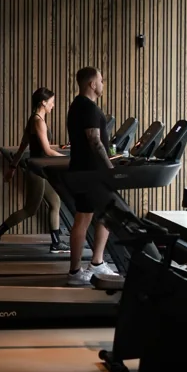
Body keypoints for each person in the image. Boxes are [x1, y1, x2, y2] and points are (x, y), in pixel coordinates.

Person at [0, 87, 70, 254]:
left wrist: (12, 167)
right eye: (51, 102)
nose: (53, 105)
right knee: (30, 210)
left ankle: (55, 243)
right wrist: (68, 159)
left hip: (41, 170)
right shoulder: (38, 121)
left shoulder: (35, 119)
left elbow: (23, 145)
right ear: (43, 102)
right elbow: (46, 150)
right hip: (37, 171)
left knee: (55, 202)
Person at [65, 67, 123, 287]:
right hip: (90, 172)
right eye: (101, 80)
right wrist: (109, 167)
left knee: (106, 213)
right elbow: (94, 140)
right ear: (92, 84)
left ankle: (97, 262)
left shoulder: (77, 105)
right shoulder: (87, 107)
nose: (103, 83)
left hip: (89, 171)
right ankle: (74, 272)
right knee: (83, 219)